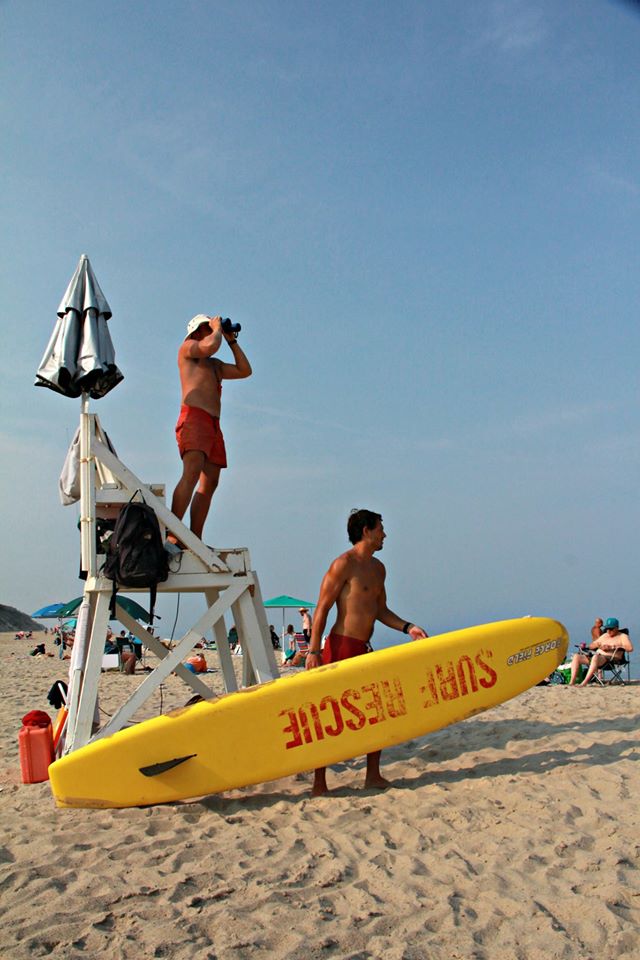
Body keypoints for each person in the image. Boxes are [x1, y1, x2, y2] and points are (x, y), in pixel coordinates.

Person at [305, 508, 428, 796]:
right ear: (366, 531)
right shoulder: (342, 565)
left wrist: (408, 627)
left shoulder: (378, 568)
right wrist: (313, 651)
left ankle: (373, 775)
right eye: (380, 529)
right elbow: (322, 608)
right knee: (328, 714)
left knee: (377, 709)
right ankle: (319, 783)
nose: (385, 534)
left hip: (363, 648)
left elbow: (380, 610)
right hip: (339, 646)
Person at [168, 314, 252, 548]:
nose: (211, 330)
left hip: (213, 425)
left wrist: (231, 341)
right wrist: (217, 330)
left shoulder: (214, 366)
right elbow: (209, 346)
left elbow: (245, 370)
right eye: (206, 327)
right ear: (195, 332)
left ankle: (194, 538)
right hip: (194, 416)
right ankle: (173, 534)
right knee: (191, 472)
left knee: (210, 481)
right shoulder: (187, 348)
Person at [569, 617, 633, 686]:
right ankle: (572, 682)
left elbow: (630, 648)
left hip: (611, 659)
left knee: (595, 657)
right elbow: (591, 646)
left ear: (616, 628)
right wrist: (599, 645)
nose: (608, 631)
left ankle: (584, 683)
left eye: (611, 629)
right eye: (607, 628)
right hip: (598, 656)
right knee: (576, 657)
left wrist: (612, 647)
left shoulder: (622, 636)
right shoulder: (605, 635)